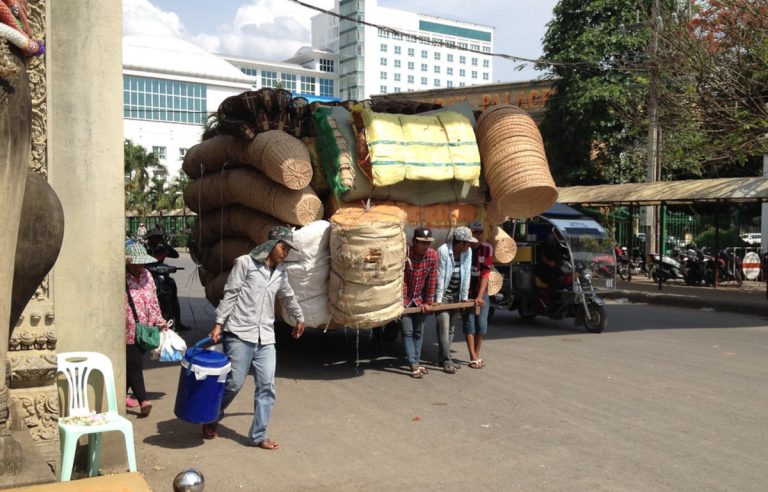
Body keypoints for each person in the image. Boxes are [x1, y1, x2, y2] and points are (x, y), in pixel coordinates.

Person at [205, 226, 305, 449]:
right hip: (239, 332)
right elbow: (231, 294)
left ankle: (259, 435)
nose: (286, 252)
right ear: (272, 244)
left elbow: (288, 296)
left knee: (267, 385)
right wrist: (219, 323)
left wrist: (299, 318)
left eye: (289, 249)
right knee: (234, 383)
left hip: (266, 337)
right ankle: (212, 414)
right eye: (284, 247)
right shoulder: (245, 263)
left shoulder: (280, 273)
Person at [124, 241, 169, 415]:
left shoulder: (147, 275)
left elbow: (153, 300)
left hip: (147, 328)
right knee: (135, 363)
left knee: (130, 365)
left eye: (142, 263)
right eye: (135, 264)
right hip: (128, 329)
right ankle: (143, 400)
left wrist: (160, 320)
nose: (139, 267)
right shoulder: (121, 277)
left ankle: (121, 395)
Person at [434, 226, 476, 373]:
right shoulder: (443, 251)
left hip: (456, 295)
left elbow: (467, 274)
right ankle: (447, 360)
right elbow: (440, 276)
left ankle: (443, 358)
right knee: (444, 328)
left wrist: (464, 298)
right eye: (468, 242)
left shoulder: (467, 252)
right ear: (461, 243)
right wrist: (438, 300)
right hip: (444, 296)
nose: (470, 245)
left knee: (451, 329)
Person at [400, 226, 438, 379]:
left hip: (420, 299)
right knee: (407, 332)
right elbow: (400, 278)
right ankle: (413, 364)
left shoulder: (432, 256)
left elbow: (431, 280)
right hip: (405, 299)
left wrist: (428, 302)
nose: (425, 246)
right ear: (414, 242)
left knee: (418, 332)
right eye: (422, 243)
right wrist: (401, 300)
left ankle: (416, 360)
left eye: (427, 243)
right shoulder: (405, 254)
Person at [463, 221, 494, 369]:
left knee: (481, 325)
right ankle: (473, 357)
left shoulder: (486, 248)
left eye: (480, 232)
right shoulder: (464, 248)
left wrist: (480, 295)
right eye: (475, 233)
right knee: (469, 324)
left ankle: (476, 354)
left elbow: (485, 274)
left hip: (481, 291)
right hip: (466, 292)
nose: (478, 235)